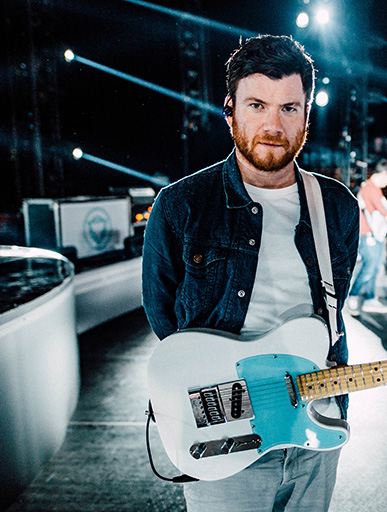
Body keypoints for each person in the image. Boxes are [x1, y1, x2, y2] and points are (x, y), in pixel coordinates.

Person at [142, 35, 359, 511]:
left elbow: (334, 309)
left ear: (306, 115)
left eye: (289, 108)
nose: (272, 124)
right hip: (226, 435)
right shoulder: (180, 206)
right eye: (257, 104)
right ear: (230, 111)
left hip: (315, 429)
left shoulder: (339, 208)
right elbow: (163, 314)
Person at [347, 159, 387, 315]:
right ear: (383, 173)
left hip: (374, 234)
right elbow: (385, 214)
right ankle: (353, 296)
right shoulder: (371, 188)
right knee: (369, 268)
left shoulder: (373, 188)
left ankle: (369, 299)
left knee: (374, 268)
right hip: (368, 234)